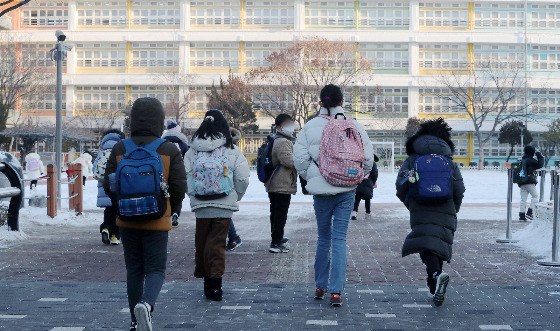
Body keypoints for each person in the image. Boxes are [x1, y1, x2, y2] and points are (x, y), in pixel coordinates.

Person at [103, 97, 187, 331]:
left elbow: (109, 184)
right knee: (156, 269)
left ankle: (134, 320)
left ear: (133, 120)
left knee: (134, 270)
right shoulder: (169, 149)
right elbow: (179, 186)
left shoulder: (120, 148)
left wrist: (122, 204)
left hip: (127, 220)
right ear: (159, 121)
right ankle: (147, 305)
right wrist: (170, 208)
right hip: (157, 220)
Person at [294, 84, 374, 307]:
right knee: (339, 239)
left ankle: (320, 286)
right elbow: (368, 158)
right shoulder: (353, 125)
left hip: (321, 191)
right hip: (347, 190)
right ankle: (336, 292)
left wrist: (314, 175)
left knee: (323, 238)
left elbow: (299, 160)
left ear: (320, 103)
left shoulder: (309, 127)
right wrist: (357, 176)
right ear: (341, 102)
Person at [395, 118, 465, 307]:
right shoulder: (448, 161)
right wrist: (454, 208)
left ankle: (435, 277)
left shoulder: (413, 159)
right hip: (446, 206)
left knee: (426, 244)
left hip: (420, 206)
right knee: (439, 243)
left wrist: (410, 202)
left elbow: (400, 186)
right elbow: (459, 188)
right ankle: (435, 281)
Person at [185, 109, 250, 301]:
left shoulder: (192, 150)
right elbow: (243, 178)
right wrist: (235, 196)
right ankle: (215, 286)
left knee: (203, 243)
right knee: (217, 244)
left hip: (201, 206)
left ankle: (207, 282)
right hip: (224, 204)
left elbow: (184, 176)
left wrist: (194, 193)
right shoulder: (232, 150)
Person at [265, 114, 297, 253]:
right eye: (287, 124)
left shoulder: (279, 140)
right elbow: (288, 161)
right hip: (280, 184)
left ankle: (277, 238)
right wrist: (302, 161)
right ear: (279, 127)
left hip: (276, 183)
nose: (291, 127)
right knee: (280, 214)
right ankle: (276, 242)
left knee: (276, 213)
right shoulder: (282, 141)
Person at [95, 129, 125, 245]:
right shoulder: (120, 151)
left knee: (108, 210)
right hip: (116, 185)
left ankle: (105, 228)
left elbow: (94, 170)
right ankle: (115, 236)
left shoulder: (101, 152)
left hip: (103, 186)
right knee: (117, 211)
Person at [162, 119, 190, 226]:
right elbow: (188, 158)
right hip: (179, 173)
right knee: (178, 192)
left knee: (165, 193)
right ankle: (175, 213)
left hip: (164, 172)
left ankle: (166, 213)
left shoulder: (162, 143)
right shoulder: (183, 144)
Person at [226, 127, 243, 252]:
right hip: (225, 186)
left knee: (223, 213)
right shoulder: (234, 149)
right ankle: (233, 237)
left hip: (225, 186)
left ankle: (233, 237)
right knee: (223, 213)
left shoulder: (232, 150)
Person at [518, 145, 544, 221]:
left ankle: (522, 216)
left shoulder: (522, 160)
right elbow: (540, 164)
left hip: (522, 182)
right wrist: (539, 154)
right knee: (535, 197)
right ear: (532, 152)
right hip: (530, 182)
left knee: (523, 199)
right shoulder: (530, 160)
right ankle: (530, 212)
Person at [351, 155, 379, 220]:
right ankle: (367, 213)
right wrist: (373, 181)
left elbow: (354, 171)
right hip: (368, 182)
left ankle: (354, 212)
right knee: (367, 198)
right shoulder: (372, 163)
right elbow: (375, 173)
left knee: (357, 197)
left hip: (359, 181)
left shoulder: (359, 162)